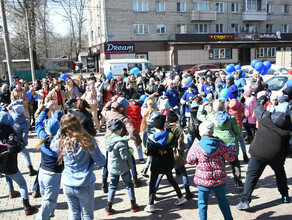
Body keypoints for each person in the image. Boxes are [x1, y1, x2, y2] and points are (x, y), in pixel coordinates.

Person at [237, 95, 291, 210]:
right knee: (280, 175)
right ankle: (285, 196)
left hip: (258, 153)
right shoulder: (287, 130)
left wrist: (264, 98)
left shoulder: (266, 118)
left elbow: (257, 105)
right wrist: (283, 155)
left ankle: (245, 200)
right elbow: (289, 147)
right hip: (276, 156)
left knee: (251, 176)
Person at [52, 114, 105, 219]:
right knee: (87, 214)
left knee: (74, 213)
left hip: (68, 184)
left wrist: (60, 131)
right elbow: (101, 161)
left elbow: (52, 145)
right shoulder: (88, 141)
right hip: (84, 183)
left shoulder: (62, 142)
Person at [187, 121, 236, 220]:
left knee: (202, 204)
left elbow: (190, 161)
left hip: (203, 181)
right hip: (219, 179)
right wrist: (231, 146)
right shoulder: (221, 145)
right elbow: (231, 158)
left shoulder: (197, 146)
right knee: (223, 202)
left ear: (201, 132)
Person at [144, 115, 187, 212]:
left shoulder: (151, 138)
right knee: (171, 179)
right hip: (168, 162)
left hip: (156, 163)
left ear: (155, 126)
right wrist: (167, 130)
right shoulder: (170, 135)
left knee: (153, 182)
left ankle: (151, 204)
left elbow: (149, 152)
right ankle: (181, 197)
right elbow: (172, 142)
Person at [197, 98, 243, 188]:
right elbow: (238, 131)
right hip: (231, 142)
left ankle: (221, 181)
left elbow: (199, 116)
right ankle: (238, 181)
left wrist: (202, 107)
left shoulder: (210, 117)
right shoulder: (232, 118)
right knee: (235, 162)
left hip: (218, 142)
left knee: (219, 162)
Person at [101, 97, 142, 191]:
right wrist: (138, 141)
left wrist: (110, 101)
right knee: (130, 158)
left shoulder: (108, 113)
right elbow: (132, 130)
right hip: (121, 141)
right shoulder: (124, 118)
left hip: (109, 141)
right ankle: (135, 179)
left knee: (108, 160)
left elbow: (104, 110)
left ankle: (104, 181)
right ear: (123, 108)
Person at [0, 112, 37, 215]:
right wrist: (20, 145)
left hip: (1, 164)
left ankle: (11, 190)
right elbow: (14, 149)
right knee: (22, 184)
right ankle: (27, 207)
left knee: (8, 174)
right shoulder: (11, 132)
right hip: (9, 164)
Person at [35, 100, 64, 220]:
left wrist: (46, 108)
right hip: (53, 175)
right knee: (49, 200)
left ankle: (48, 215)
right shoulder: (61, 142)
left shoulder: (43, 136)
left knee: (45, 198)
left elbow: (37, 122)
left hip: (41, 173)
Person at [155, 110, 193, 200]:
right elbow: (180, 145)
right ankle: (187, 191)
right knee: (184, 173)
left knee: (161, 174)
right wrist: (185, 146)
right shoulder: (179, 129)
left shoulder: (164, 128)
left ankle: (154, 190)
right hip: (176, 153)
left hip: (166, 153)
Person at [104, 119, 139, 215]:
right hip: (124, 168)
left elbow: (118, 140)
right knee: (129, 185)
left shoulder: (108, 140)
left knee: (112, 186)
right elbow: (125, 156)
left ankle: (109, 206)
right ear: (120, 129)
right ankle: (133, 205)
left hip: (112, 168)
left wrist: (126, 138)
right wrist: (131, 151)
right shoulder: (121, 143)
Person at [9, 101, 37, 176]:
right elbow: (25, 135)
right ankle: (31, 169)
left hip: (10, 140)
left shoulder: (11, 115)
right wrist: (24, 143)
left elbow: (10, 106)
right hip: (19, 141)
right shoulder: (24, 122)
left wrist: (19, 102)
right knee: (25, 154)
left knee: (11, 155)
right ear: (22, 112)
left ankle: (11, 170)